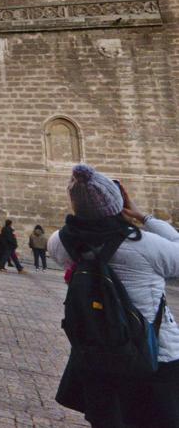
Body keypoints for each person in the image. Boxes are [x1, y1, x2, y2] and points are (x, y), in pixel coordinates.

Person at [49, 164, 179, 426]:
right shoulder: (145, 245)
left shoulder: (60, 242)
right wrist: (143, 217)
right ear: (117, 204)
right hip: (153, 354)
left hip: (98, 353)